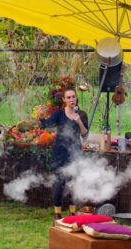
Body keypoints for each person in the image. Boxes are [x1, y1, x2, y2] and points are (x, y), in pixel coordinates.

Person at [39, 85, 88, 220]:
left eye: (73, 97)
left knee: (73, 182)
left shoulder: (82, 114)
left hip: (75, 152)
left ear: (76, 98)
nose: (72, 99)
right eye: (68, 97)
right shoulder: (59, 114)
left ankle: (72, 213)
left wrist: (79, 122)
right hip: (60, 151)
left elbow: (84, 134)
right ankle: (58, 213)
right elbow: (47, 125)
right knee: (60, 182)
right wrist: (42, 116)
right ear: (64, 100)